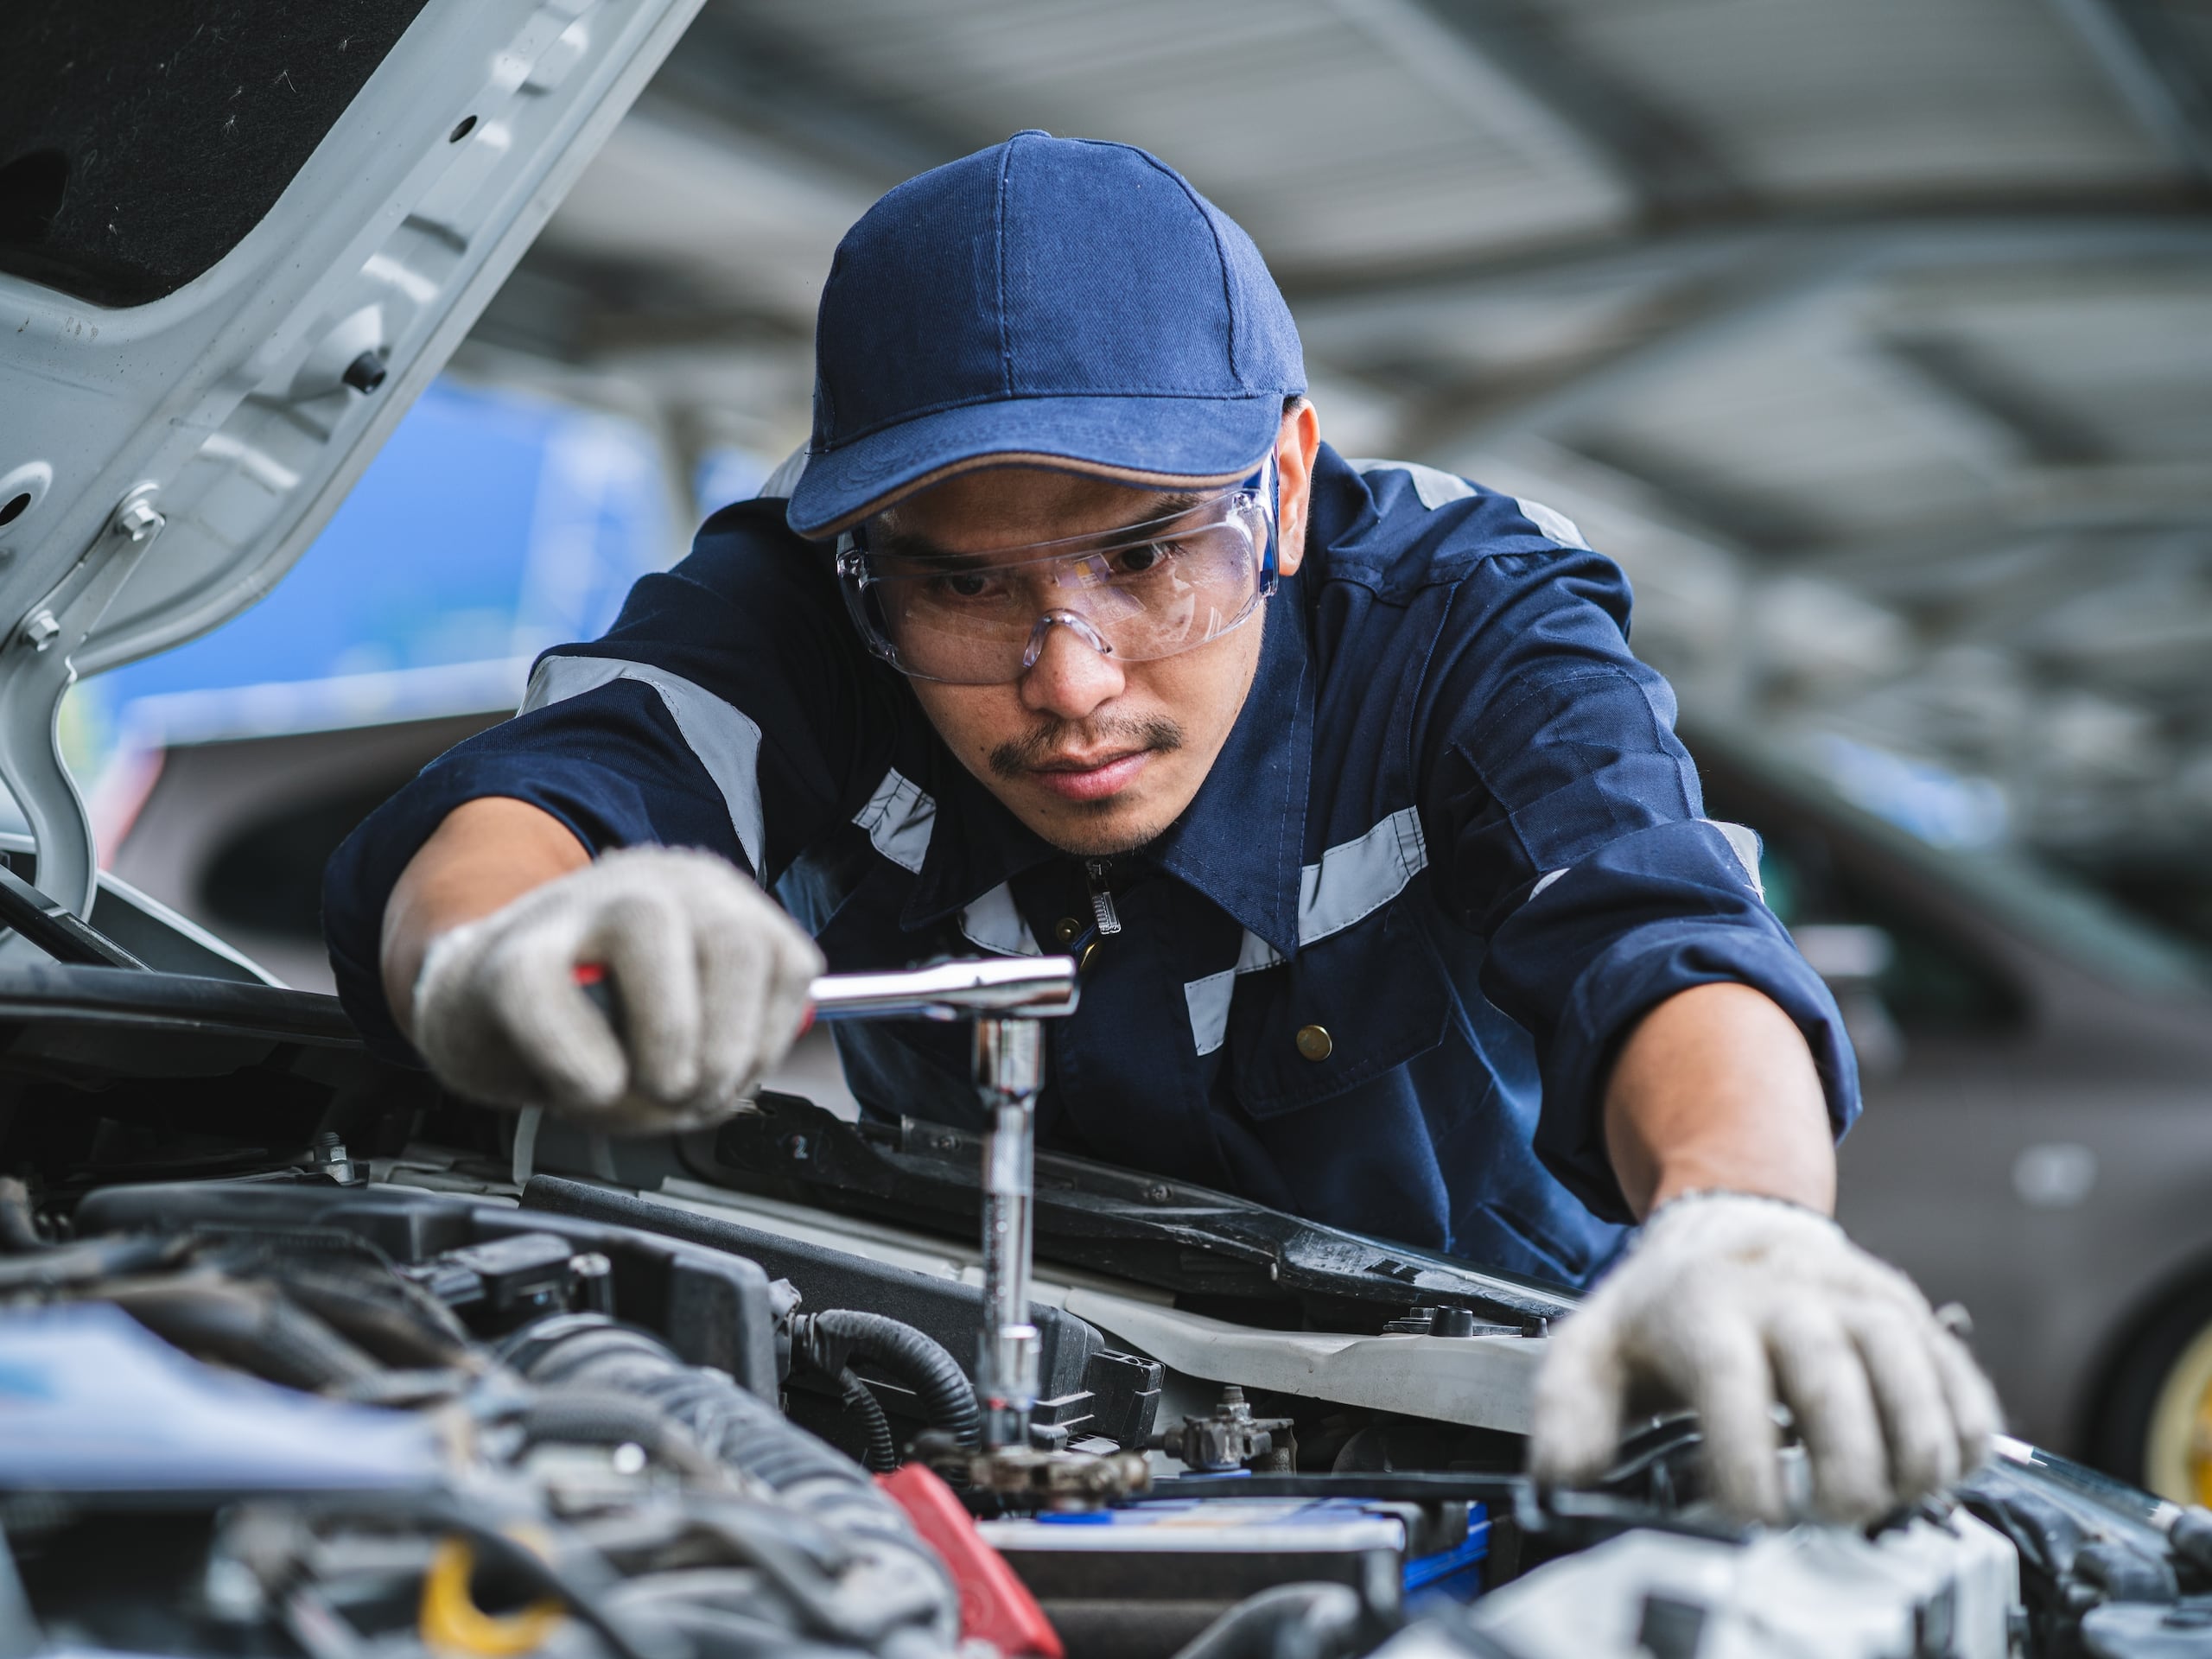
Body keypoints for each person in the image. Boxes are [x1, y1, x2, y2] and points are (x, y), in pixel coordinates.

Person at [323, 131, 1997, 1523]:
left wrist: (1740, 1217)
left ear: (1281, 477)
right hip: (986, 1441)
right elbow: (547, 793)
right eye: (965, 583)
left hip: (1509, 1441)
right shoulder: (803, 605)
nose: (1067, 683)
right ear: (866, 556)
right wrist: (494, 950)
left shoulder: (1459, 616)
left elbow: (1663, 933)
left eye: (1142, 556)